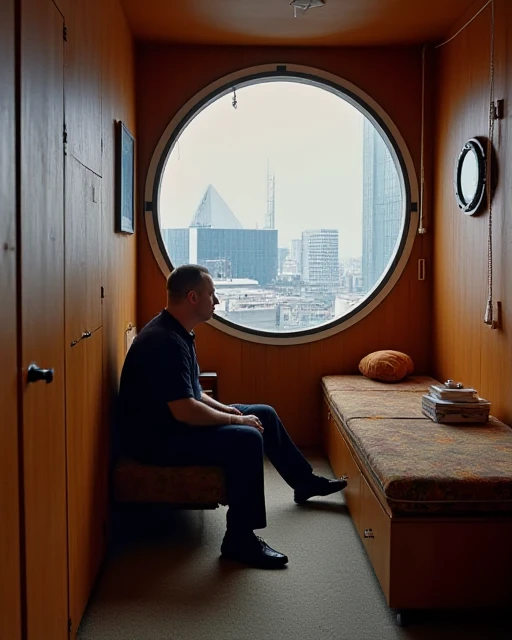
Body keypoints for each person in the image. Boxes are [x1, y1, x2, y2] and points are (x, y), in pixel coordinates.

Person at [118, 264, 347, 569]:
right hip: (157, 441)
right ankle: (239, 539)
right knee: (247, 438)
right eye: (211, 294)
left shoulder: (176, 331)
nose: (217, 302)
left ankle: (304, 482)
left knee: (263, 412)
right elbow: (185, 409)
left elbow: (192, 394)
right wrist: (236, 421)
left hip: (172, 424)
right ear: (192, 297)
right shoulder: (165, 342)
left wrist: (229, 410)